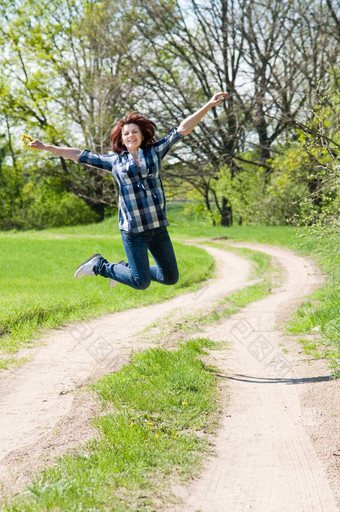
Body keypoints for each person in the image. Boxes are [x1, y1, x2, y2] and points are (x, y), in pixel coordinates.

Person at [29, 92, 228, 290]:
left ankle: (125, 268)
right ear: (122, 140)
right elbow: (79, 155)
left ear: (142, 135)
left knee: (170, 277)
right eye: (126, 133)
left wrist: (208, 105)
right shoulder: (114, 161)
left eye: (134, 132)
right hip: (133, 231)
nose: (130, 135)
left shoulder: (155, 152)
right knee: (140, 282)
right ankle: (100, 265)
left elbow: (182, 130)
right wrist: (47, 147)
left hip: (157, 227)